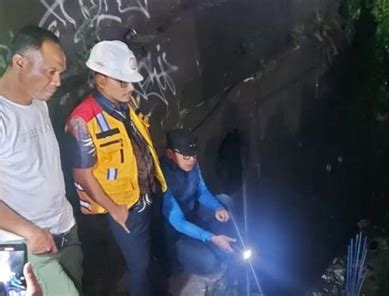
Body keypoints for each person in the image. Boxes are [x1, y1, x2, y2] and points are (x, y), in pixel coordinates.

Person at [65, 40, 167, 296]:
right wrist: (116, 210)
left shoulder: (125, 105)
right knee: (138, 266)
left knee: (147, 259)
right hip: (122, 208)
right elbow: (82, 174)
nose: (131, 87)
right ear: (100, 79)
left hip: (144, 196)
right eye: (122, 81)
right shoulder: (83, 120)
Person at [0, 26, 82, 295]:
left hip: (65, 230)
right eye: (50, 71)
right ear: (20, 62)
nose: (57, 81)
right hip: (30, 246)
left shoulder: (39, 104)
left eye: (60, 72)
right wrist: (31, 232)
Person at [161, 128, 236, 275]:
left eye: (194, 156)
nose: (192, 160)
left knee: (224, 201)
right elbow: (178, 222)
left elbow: (201, 191)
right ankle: (191, 252)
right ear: (170, 154)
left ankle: (222, 242)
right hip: (177, 233)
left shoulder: (192, 164)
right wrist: (210, 238)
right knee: (208, 262)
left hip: (193, 216)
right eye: (187, 157)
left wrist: (217, 207)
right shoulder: (162, 177)